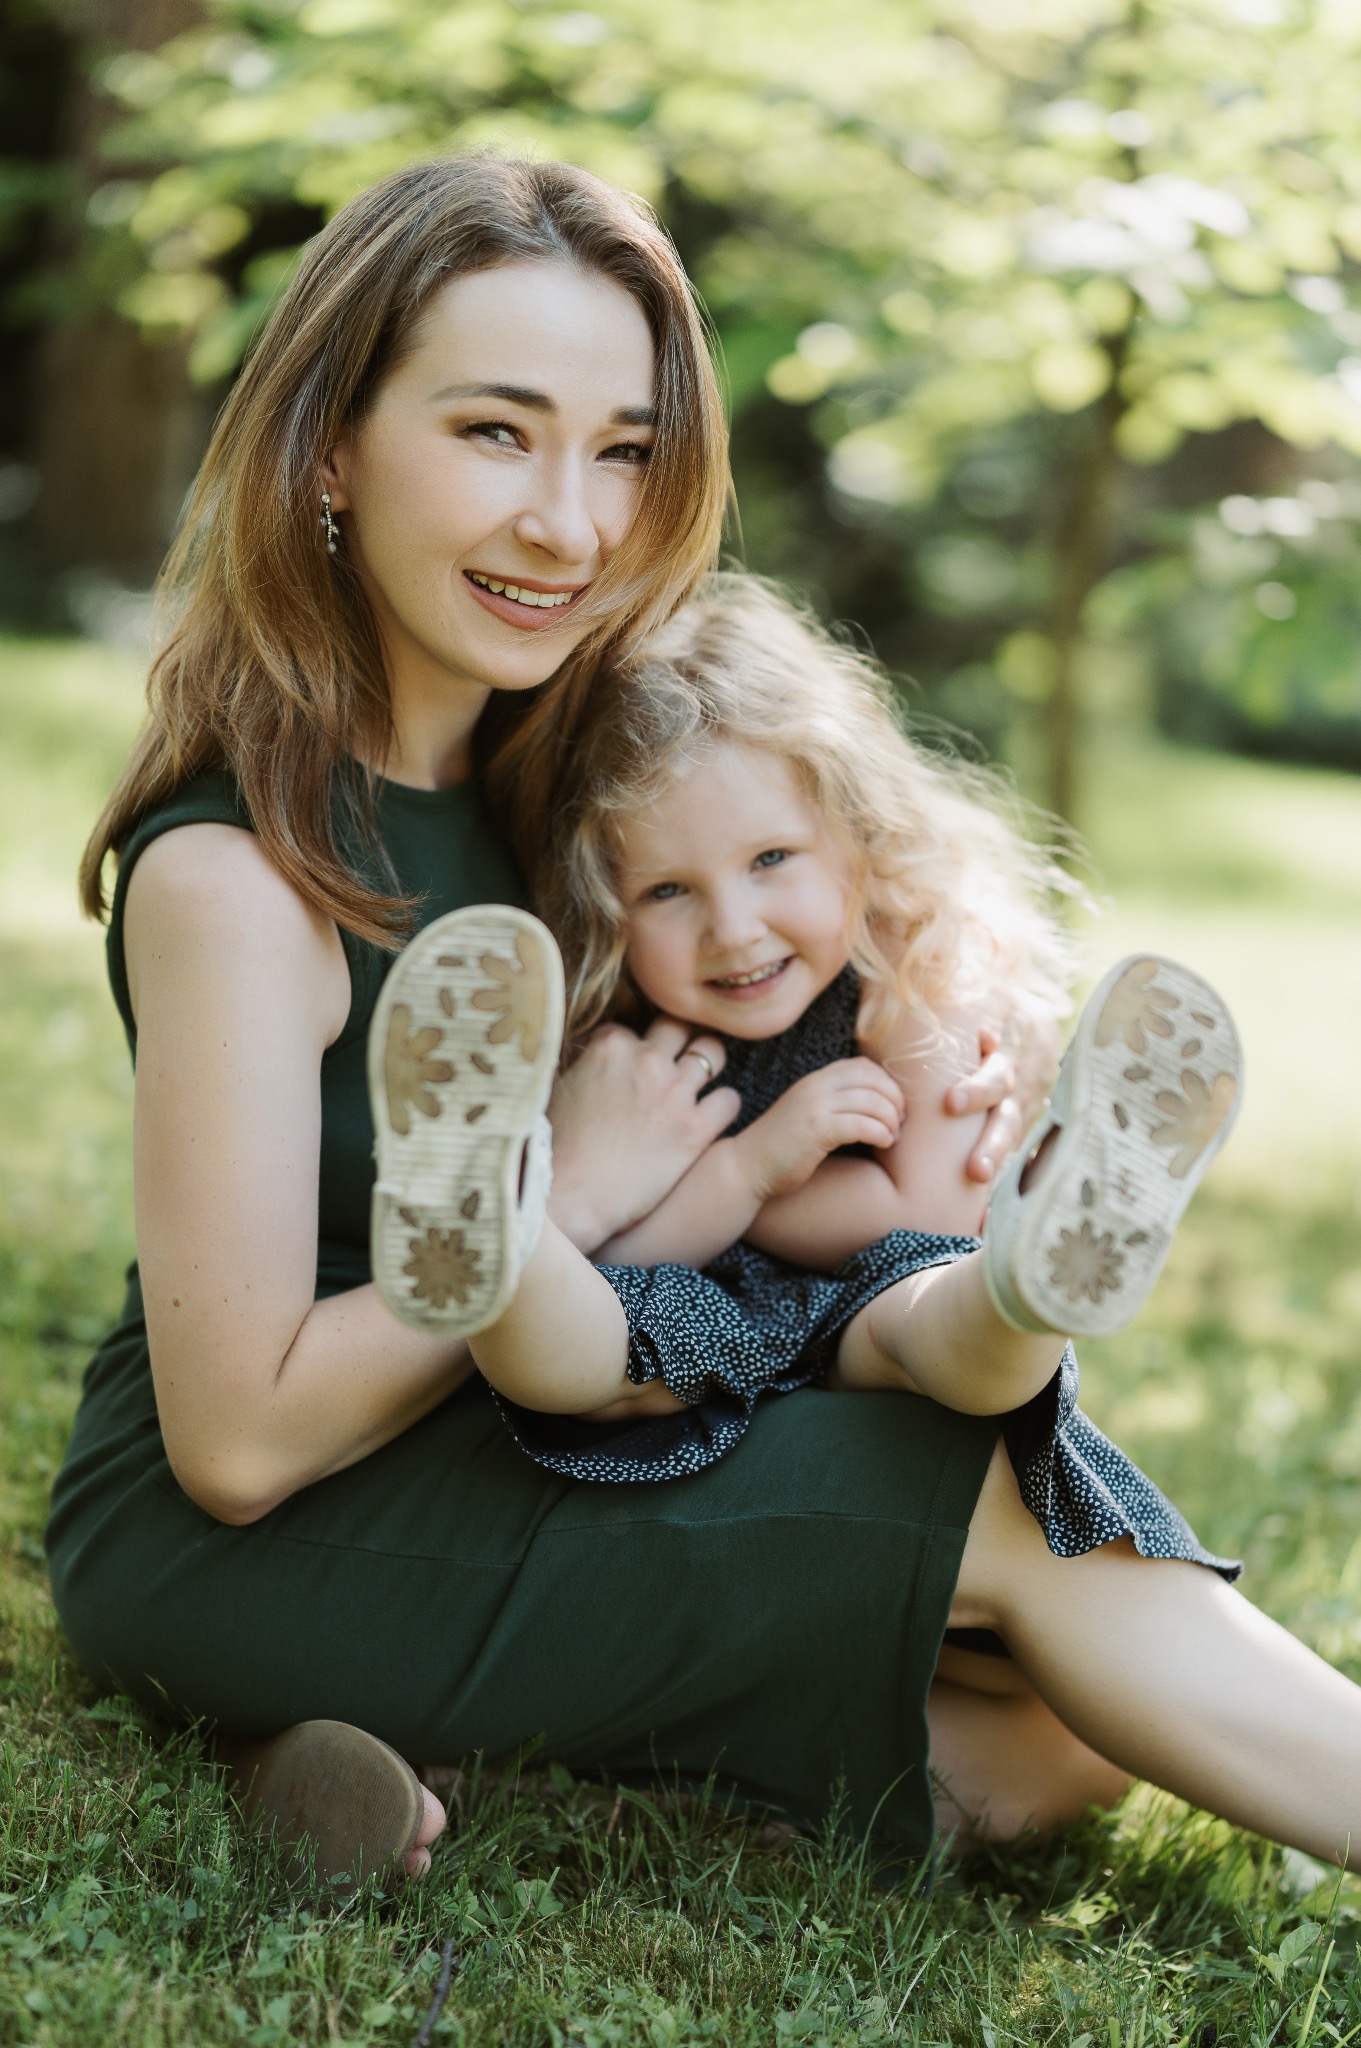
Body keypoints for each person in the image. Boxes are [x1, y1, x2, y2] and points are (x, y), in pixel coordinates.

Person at [43, 152, 1361, 1890]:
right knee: (1009, 1525)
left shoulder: (563, 778)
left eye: (622, 449)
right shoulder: (241, 875)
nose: (569, 523)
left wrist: (946, 1064)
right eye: (496, 432)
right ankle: (339, 1664)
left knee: (1045, 1747)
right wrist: (573, 1195)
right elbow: (232, 1445)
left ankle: (450, 1773)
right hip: (269, 1528)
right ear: (330, 448)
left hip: (536, 1427)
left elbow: (790, 927)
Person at [364, 580, 1243, 1582]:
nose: (732, 928)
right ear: (605, 905)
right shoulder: (634, 1045)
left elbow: (931, 1210)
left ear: (860, 830)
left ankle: (1046, 1270)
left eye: (771, 857)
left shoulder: (919, 965)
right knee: (571, 1347)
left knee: (936, 1314)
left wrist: (749, 1171)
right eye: (665, 891)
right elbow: (625, 1245)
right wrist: (735, 1174)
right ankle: (494, 1235)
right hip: (693, 1339)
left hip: (874, 1324)